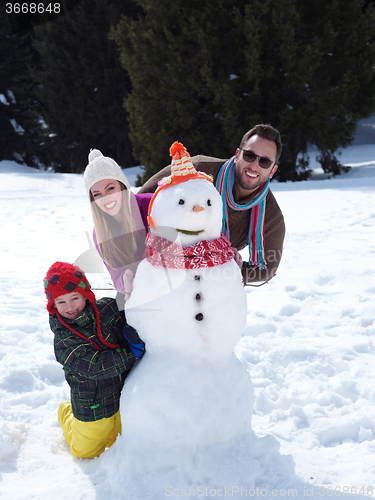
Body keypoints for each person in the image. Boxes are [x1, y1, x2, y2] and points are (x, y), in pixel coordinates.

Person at [138, 124, 285, 285]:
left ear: (272, 170)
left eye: (264, 162)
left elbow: (266, 269)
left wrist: (223, 268)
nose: (254, 166)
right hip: (158, 267)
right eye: (249, 155)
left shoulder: (270, 216)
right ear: (237, 155)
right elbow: (139, 202)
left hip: (206, 284)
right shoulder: (198, 169)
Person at [44, 261, 142, 459]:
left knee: (120, 441)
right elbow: (95, 367)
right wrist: (130, 353)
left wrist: (128, 288)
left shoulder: (106, 309)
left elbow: (125, 307)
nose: (70, 307)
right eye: (61, 302)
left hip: (123, 395)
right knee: (85, 452)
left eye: (74, 298)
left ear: (86, 295)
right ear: (53, 305)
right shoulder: (64, 341)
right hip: (93, 407)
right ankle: (66, 413)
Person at [84, 149, 153, 302]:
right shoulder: (101, 233)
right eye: (97, 194)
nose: (105, 199)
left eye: (110, 189)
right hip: (137, 292)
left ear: (122, 186)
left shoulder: (151, 205)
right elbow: (115, 275)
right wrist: (125, 281)